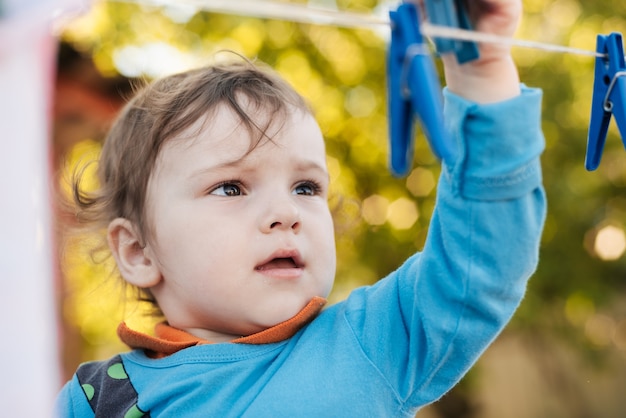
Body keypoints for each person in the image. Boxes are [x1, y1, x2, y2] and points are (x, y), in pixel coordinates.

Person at [56, 0, 546, 416]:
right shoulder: (95, 400)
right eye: (231, 188)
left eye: (306, 188)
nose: (285, 213)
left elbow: (481, 262)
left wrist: (480, 67)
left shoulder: (371, 341)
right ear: (139, 251)